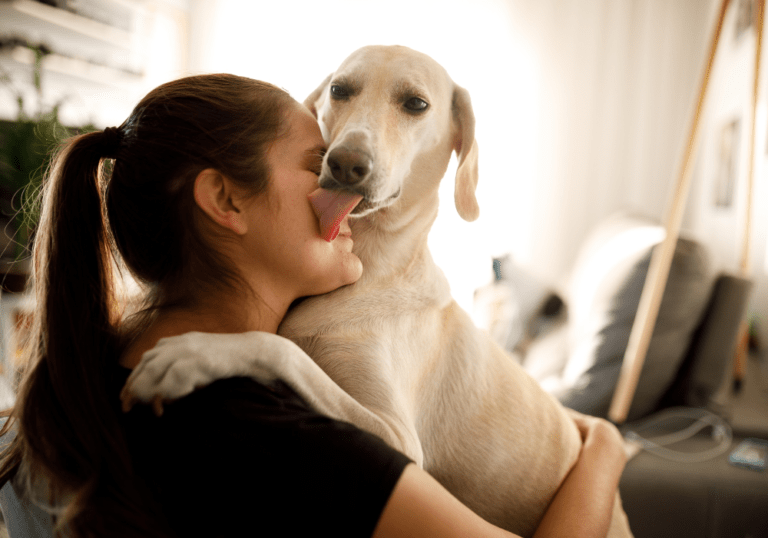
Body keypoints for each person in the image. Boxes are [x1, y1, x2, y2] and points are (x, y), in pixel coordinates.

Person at [0, 73, 626, 537]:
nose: (344, 183)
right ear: (226, 200)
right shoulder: (269, 430)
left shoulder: (78, 380)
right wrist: (602, 453)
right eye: (315, 163)